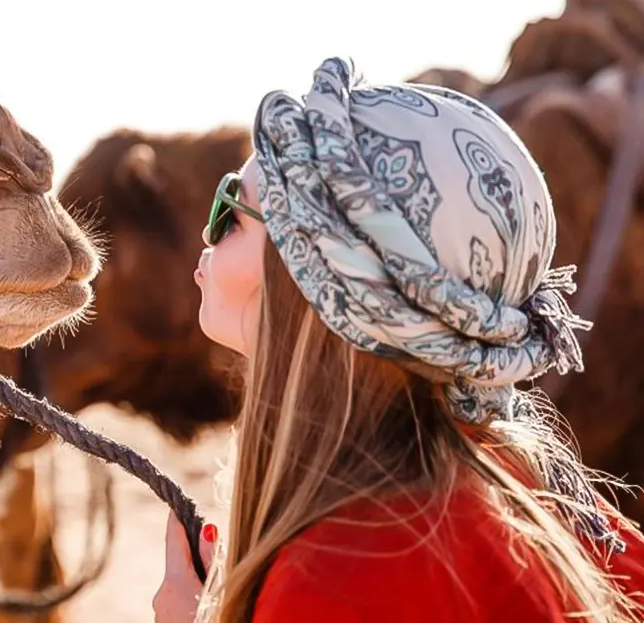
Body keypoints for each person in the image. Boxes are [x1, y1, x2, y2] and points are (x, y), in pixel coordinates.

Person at [152, 57, 644, 622]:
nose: (206, 235)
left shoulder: (352, 572)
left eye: (229, 214)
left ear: (322, 277)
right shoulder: (538, 488)